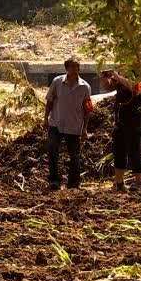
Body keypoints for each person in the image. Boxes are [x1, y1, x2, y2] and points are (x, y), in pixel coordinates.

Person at [45, 57, 93, 190]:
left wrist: (85, 128)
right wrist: (45, 118)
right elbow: (49, 101)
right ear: (66, 68)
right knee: (53, 151)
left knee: (74, 155)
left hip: (74, 126)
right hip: (56, 123)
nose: (75, 70)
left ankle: (73, 183)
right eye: (72, 67)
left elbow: (88, 109)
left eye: (77, 67)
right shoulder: (57, 82)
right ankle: (54, 180)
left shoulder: (85, 87)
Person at [100, 70, 141, 192]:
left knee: (135, 150)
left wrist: (118, 76)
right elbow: (107, 87)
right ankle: (119, 182)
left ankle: (140, 181)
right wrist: (105, 78)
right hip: (121, 121)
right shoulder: (121, 80)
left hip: (136, 121)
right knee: (119, 151)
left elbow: (136, 89)